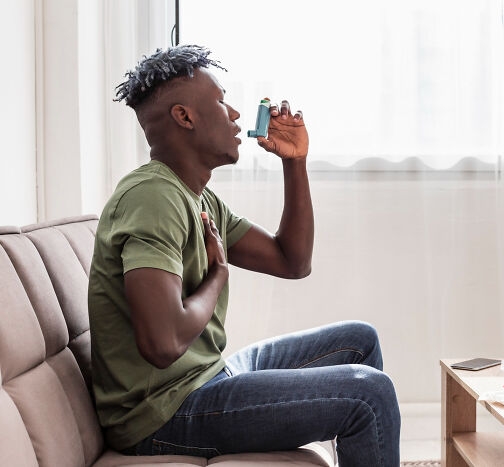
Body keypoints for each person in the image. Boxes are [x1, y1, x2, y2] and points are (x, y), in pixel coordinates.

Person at [87, 45, 400, 467]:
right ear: (185, 117)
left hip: (207, 377)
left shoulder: (198, 198)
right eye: (221, 101)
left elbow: (292, 261)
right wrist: (218, 275)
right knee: (368, 392)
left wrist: (295, 162)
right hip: (164, 415)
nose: (235, 114)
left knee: (359, 340)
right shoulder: (152, 198)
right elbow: (162, 344)